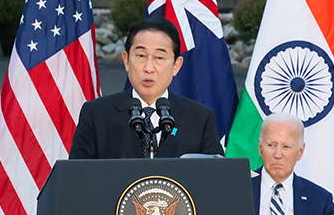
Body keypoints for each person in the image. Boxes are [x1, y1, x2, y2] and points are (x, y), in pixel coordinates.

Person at [69, 18, 223, 159]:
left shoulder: (200, 118)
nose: (149, 68)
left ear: (177, 65)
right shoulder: (96, 115)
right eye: (141, 56)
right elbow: (77, 178)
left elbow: (215, 180)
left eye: (159, 58)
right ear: (126, 61)